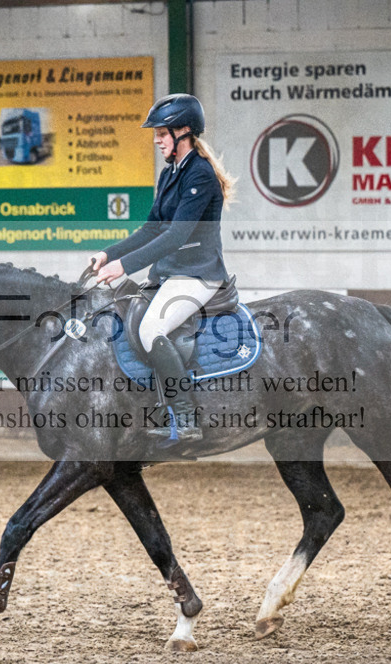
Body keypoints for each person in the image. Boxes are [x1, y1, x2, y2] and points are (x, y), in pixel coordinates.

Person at [91, 93, 235, 446]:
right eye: (156, 135)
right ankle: (156, 406)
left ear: (183, 131)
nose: (156, 141)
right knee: (132, 320)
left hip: (199, 274)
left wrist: (126, 265)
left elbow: (176, 235)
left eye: (161, 134)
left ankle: (185, 418)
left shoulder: (199, 174)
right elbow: (151, 229)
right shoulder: (171, 173)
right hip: (171, 274)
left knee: (152, 328)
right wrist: (109, 255)